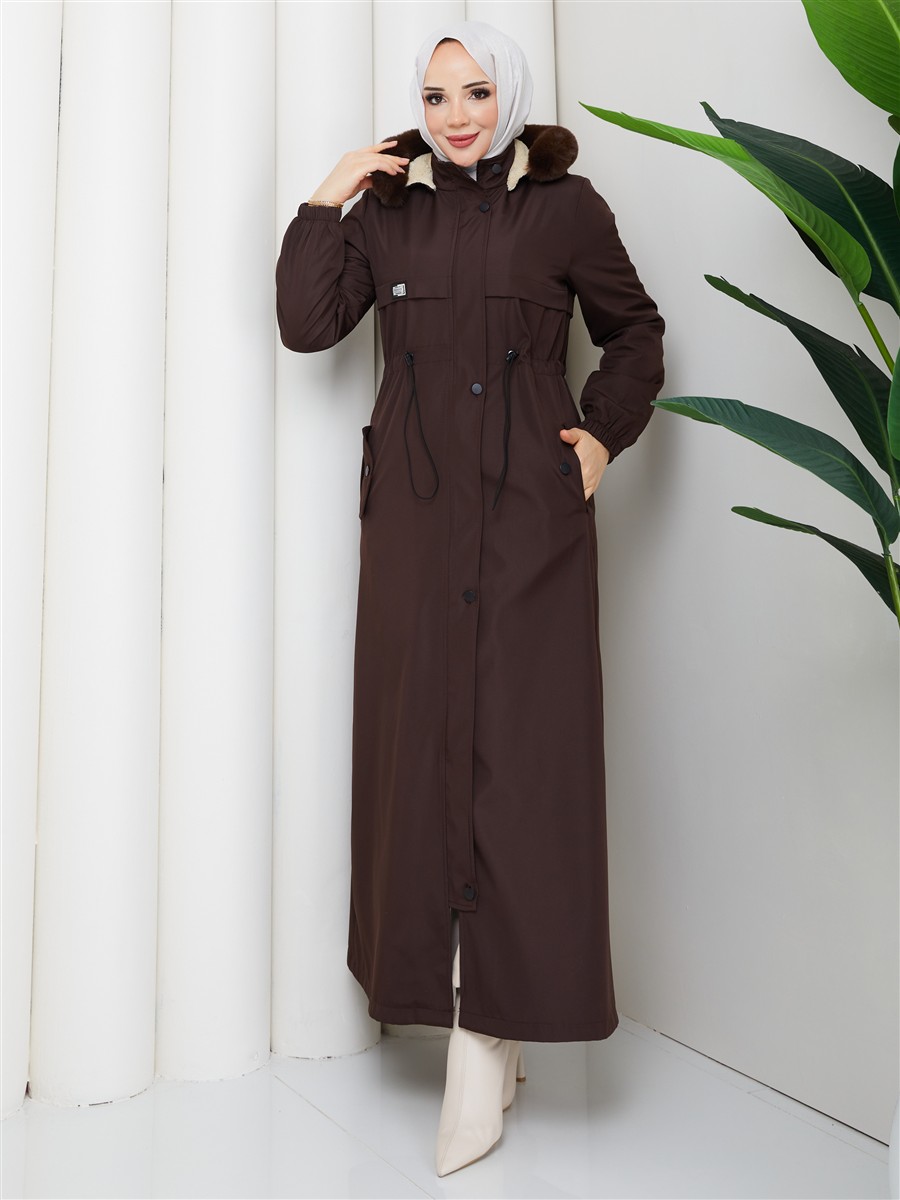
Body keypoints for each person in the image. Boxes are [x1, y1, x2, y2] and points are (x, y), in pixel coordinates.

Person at [275, 19, 665, 1177]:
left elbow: (636, 333)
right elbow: (306, 325)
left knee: (520, 767)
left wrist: (599, 438)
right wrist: (328, 198)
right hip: (411, 527)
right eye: (438, 94)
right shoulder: (386, 214)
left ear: (513, 94)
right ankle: (464, 1012)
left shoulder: (567, 211)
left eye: (478, 91)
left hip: (530, 528)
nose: (456, 115)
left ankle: (491, 1036)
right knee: (423, 758)